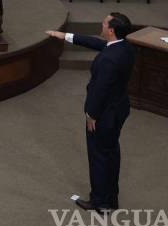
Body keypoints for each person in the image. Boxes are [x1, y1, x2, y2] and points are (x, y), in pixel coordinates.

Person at [46, 12, 136, 213]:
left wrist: (91, 114)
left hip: (103, 115)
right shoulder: (125, 48)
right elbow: (97, 44)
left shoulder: (108, 60)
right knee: (111, 154)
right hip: (119, 109)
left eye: (104, 23)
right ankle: (111, 198)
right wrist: (65, 36)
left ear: (111, 30)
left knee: (98, 156)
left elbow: (99, 90)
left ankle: (100, 202)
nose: (101, 24)